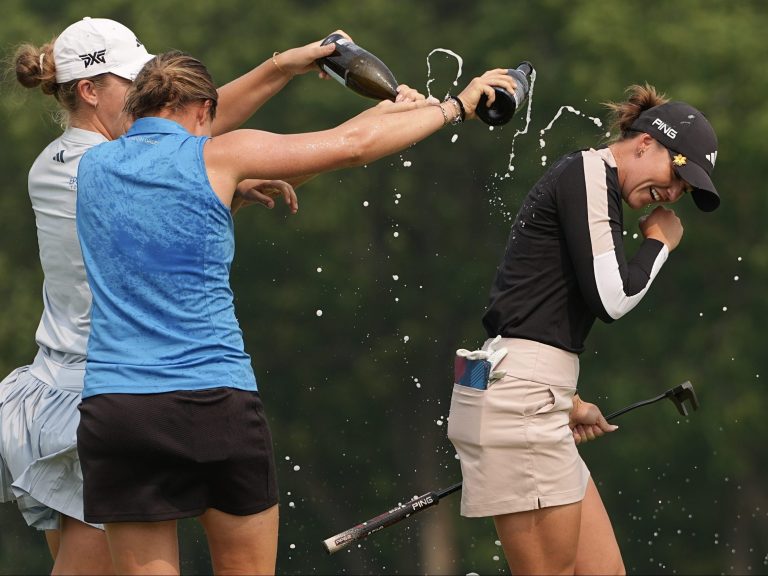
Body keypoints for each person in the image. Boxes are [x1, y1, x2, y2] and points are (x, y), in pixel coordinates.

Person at [73, 50, 512, 575]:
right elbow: (350, 148)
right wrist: (455, 107)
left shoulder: (93, 166)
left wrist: (384, 115)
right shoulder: (217, 156)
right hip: (212, 400)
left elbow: (169, 225)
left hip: (119, 408)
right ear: (202, 110)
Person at [0, 16, 360, 574]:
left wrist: (280, 69)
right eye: (134, 81)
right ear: (90, 90)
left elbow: (191, 128)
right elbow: (188, 142)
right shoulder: (84, 165)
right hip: (93, 391)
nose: (150, 95)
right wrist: (225, 191)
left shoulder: (84, 156)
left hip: (93, 389)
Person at [446, 84, 719, 575]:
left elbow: (531, 307)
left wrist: (566, 399)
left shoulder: (597, 189)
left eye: (685, 191)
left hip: (530, 393)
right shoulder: (592, 172)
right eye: (677, 175)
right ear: (645, 143)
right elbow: (611, 300)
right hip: (520, 400)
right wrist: (659, 244)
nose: (674, 194)